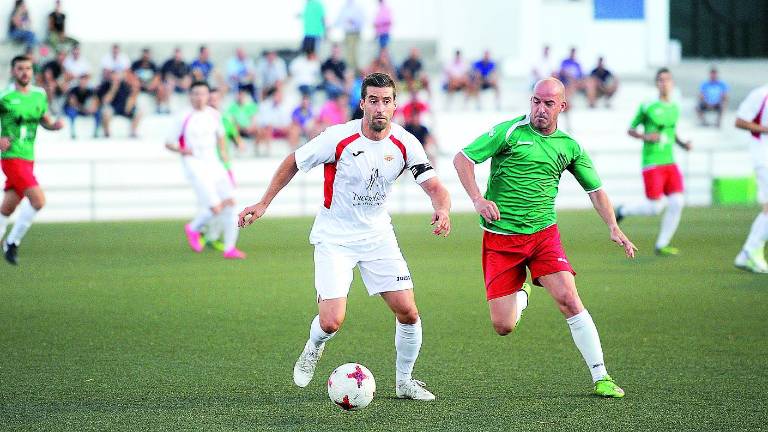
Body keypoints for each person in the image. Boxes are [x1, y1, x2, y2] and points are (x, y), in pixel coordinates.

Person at [238, 72, 451, 401]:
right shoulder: (337, 138)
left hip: (378, 236)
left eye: (386, 101)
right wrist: (264, 202)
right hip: (334, 237)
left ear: (395, 106)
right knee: (332, 321)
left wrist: (442, 209)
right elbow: (293, 161)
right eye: (374, 101)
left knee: (408, 311)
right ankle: (313, 347)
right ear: (363, 103)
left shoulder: (406, 143)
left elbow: (435, 186)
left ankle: (404, 381)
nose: (380, 108)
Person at [453, 77, 634, 398]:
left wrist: (613, 226)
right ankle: (522, 294)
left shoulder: (569, 146)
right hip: (501, 240)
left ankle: (601, 376)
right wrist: (478, 200)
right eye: (536, 101)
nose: (540, 109)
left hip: (543, 237)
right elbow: (463, 159)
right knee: (503, 326)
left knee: (568, 298)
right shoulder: (509, 132)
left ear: (562, 106)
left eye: (548, 103)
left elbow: (595, 190)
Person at [165, 81, 245, 259]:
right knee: (216, 208)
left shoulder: (214, 115)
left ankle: (229, 249)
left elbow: (221, 135)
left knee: (231, 202)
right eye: (196, 93)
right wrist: (182, 150)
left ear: (208, 95)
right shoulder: (183, 117)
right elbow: (168, 143)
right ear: (190, 96)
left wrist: (224, 155)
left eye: (203, 93)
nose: (200, 97)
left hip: (214, 163)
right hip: (195, 164)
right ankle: (193, 228)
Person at [616, 68, 692, 256]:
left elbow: (671, 133)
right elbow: (630, 129)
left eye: (666, 80)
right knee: (655, 207)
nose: (663, 83)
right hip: (652, 162)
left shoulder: (674, 107)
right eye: (660, 80)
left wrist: (683, 144)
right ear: (656, 83)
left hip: (670, 161)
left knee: (677, 201)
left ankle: (662, 244)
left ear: (672, 83)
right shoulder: (647, 106)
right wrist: (646, 136)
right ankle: (623, 209)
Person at [0, 55, 64, 265]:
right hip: (12, 157)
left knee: (8, 207)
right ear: (13, 71)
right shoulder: (5, 96)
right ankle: (12, 242)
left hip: (28, 157)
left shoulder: (39, 95)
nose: (25, 72)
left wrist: (54, 125)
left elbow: (44, 120)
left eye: (28, 68)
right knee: (38, 200)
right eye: (20, 69)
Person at [200, 87, 245, 252]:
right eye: (210, 100)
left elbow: (234, 135)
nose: (213, 102)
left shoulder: (224, 118)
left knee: (226, 203)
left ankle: (209, 234)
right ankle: (205, 232)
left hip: (224, 168)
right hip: (208, 167)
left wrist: (239, 143)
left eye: (215, 99)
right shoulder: (202, 120)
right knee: (218, 203)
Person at [733, 83, 768, 273]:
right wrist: (765, 129)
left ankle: (748, 253)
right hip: (763, 156)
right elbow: (739, 121)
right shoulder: (761, 94)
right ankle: (750, 251)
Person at [97, 70, 141, 138]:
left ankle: (133, 132)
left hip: (124, 108)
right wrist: (113, 88)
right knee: (106, 111)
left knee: (139, 112)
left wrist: (129, 106)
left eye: (117, 75)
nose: (115, 77)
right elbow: (106, 101)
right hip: (113, 109)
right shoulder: (105, 85)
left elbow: (131, 97)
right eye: (114, 75)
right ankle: (107, 133)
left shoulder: (125, 85)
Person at [255, 87, 299, 152]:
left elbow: (288, 122)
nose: (278, 98)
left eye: (279, 96)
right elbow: (264, 122)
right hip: (270, 129)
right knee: (266, 130)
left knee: (294, 129)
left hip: (281, 129)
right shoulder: (266, 106)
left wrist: (283, 127)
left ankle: (293, 151)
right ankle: (267, 151)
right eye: (277, 96)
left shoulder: (285, 107)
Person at [63, 73, 99, 139]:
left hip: (83, 109)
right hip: (73, 109)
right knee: (72, 112)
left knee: (97, 113)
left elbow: (95, 102)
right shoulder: (73, 90)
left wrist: (92, 108)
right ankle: (72, 132)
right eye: (82, 80)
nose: (84, 82)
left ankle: (96, 131)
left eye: (85, 80)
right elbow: (73, 104)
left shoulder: (90, 91)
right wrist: (84, 109)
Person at [131, 48, 167, 114]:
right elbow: (130, 75)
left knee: (160, 87)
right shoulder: (136, 64)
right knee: (134, 87)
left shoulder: (153, 65)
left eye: (147, 55)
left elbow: (158, 77)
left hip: (150, 86)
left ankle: (159, 106)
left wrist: (152, 85)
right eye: (144, 55)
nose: (146, 57)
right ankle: (133, 106)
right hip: (139, 86)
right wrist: (138, 83)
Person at [335, 0, 364, 73]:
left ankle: (355, 73)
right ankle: (351, 72)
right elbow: (339, 19)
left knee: (352, 54)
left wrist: (353, 21)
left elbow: (361, 21)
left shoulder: (357, 7)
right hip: (347, 33)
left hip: (354, 33)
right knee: (348, 54)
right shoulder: (344, 7)